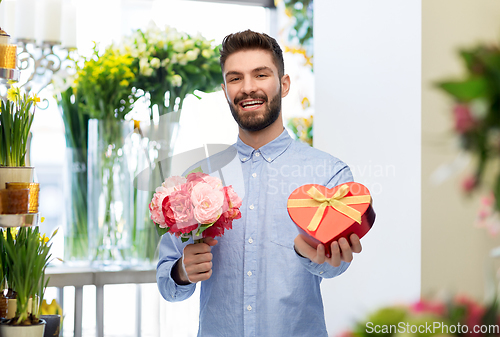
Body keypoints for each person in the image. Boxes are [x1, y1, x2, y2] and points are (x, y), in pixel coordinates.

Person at [156, 30, 362, 337]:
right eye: (235, 78)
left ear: (284, 84)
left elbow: (335, 266)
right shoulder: (197, 178)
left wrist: (319, 255)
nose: (248, 88)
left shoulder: (328, 174)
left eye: (261, 74)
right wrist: (182, 272)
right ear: (225, 90)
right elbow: (167, 279)